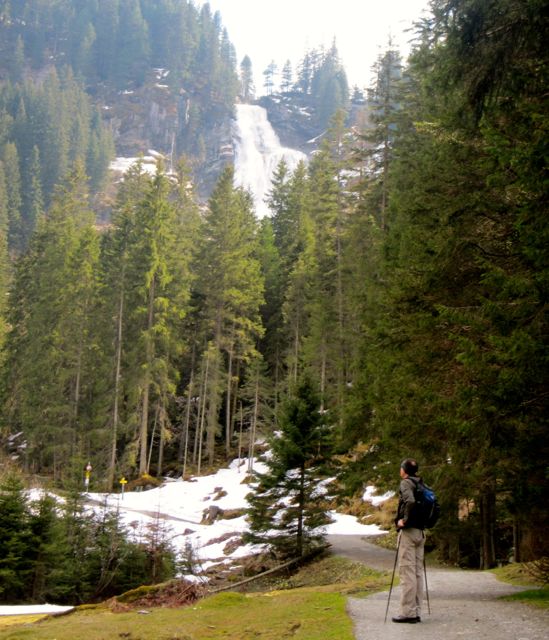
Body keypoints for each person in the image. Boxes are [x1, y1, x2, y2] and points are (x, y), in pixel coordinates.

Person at [392, 458, 425, 624]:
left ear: (404, 470)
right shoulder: (420, 483)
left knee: (407, 572)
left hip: (409, 532)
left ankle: (408, 613)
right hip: (420, 532)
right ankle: (416, 610)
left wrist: (403, 520)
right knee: (417, 572)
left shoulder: (405, 483)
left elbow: (410, 501)